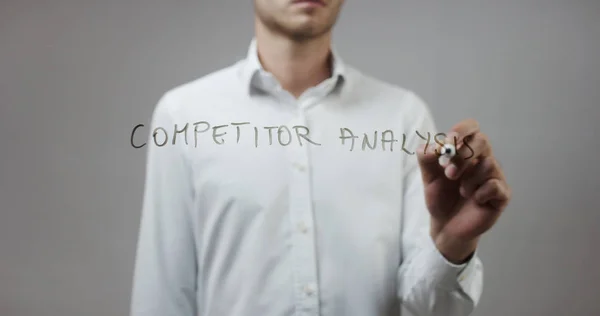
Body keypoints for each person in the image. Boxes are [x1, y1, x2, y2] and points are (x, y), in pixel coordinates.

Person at [129, 0, 511, 315]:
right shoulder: (183, 116)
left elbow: (431, 309)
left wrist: (451, 246)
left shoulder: (403, 117)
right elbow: (162, 298)